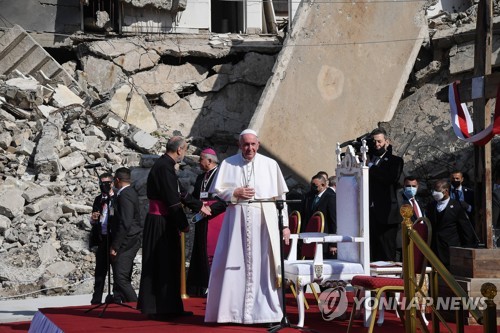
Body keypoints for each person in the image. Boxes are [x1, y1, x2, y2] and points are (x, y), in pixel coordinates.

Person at [204, 129, 291, 325]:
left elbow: (280, 198)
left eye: (253, 144)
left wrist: (284, 225)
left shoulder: (270, 164)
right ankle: (231, 313)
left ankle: (266, 313)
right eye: (245, 144)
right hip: (237, 221)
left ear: (258, 145)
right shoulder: (228, 163)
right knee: (233, 264)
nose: (249, 148)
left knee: (264, 266)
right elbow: (218, 191)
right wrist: (235, 192)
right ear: (239, 145)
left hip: (264, 221)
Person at [137, 136, 212, 320]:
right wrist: (183, 224)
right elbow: (172, 201)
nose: (184, 154)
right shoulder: (164, 167)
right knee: (164, 264)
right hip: (161, 221)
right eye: (185, 150)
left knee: (169, 264)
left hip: (162, 220)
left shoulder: (165, 165)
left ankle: (168, 307)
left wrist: (198, 205)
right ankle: (161, 309)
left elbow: (181, 193)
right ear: (179, 150)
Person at [187, 148, 227, 296]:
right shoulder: (200, 178)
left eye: (201, 159)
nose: (199, 162)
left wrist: (209, 210)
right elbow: (197, 198)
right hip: (201, 219)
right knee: (199, 252)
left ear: (209, 161)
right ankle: (199, 287)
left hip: (215, 219)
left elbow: (225, 199)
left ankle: (214, 285)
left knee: (213, 252)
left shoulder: (222, 175)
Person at [368, 127, 404, 261]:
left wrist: (371, 167)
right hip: (370, 214)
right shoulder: (368, 159)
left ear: (386, 142)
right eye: (374, 142)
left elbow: (391, 178)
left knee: (386, 250)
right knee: (372, 251)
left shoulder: (395, 161)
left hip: (387, 214)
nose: (376, 145)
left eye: (379, 142)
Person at [426, 179, 478, 268]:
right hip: (434, 249)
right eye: (434, 190)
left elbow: (465, 228)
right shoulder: (431, 206)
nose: (434, 193)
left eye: (437, 190)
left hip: (450, 249)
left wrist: (467, 247)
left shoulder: (456, 206)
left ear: (446, 191)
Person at [109, 167, 143, 303]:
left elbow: (125, 222)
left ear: (117, 180)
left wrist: (115, 246)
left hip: (128, 240)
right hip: (131, 239)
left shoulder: (125, 195)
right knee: (123, 275)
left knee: (120, 276)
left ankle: (135, 305)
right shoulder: (130, 192)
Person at [89, 172, 114, 305]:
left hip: (113, 238)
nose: (102, 186)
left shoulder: (117, 198)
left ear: (112, 183)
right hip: (101, 238)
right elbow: (94, 219)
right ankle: (96, 299)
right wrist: (93, 219)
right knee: (100, 270)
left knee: (116, 270)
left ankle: (117, 297)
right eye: (101, 184)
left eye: (105, 183)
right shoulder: (98, 199)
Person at [300, 174, 337, 258]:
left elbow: (333, 221)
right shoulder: (310, 198)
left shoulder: (330, 197)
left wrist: (333, 243)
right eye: (312, 185)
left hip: (324, 241)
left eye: (315, 185)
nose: (312, 187)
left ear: (323, 185)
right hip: (311, 239)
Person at [395, 175, 423, 261]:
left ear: (417, 187)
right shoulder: (399, 201)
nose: (411, 188)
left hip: (420, 241)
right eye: (408, 186)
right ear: (404, 186)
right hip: (405, 242)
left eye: (413, 186)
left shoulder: (419, 201)